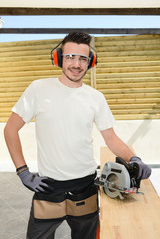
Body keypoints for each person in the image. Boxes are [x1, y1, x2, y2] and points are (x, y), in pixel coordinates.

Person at [4, 31, 151, 239]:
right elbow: (10, 129)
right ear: (58, 58)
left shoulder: (95, 98)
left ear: (90, 62)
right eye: (70, 57)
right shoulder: (38, 89)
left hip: (85, 187)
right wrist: (22, 172)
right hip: (48, 188)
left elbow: (111, 138)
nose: (76, 64)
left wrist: (133, 158)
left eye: (83, 58)